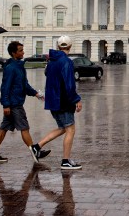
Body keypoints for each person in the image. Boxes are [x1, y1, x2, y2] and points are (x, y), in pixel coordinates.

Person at [0, 41, 50, 163]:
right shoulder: (11, 68)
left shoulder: (19, 66)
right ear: (13, 53)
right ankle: (35, 151)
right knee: (24, 128)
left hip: (13, 104)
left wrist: (36, 94)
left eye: (22, 49)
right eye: (20, 50)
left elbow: (24, 85)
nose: (23, 52)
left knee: (3, 128)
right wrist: (6, 105)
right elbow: (5, 87)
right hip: (14, 104)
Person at [33, 35, 83, 170]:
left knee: (63, 128)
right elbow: (69, 84)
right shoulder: (66, 61)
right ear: (70, 46)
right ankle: (65, 161)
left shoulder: (51, 61)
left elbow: (47, 74)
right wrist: (76, 99)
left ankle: (36, 147)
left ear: (58, 46)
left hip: (53, 100)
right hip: (63, 100)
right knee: (70, 129)